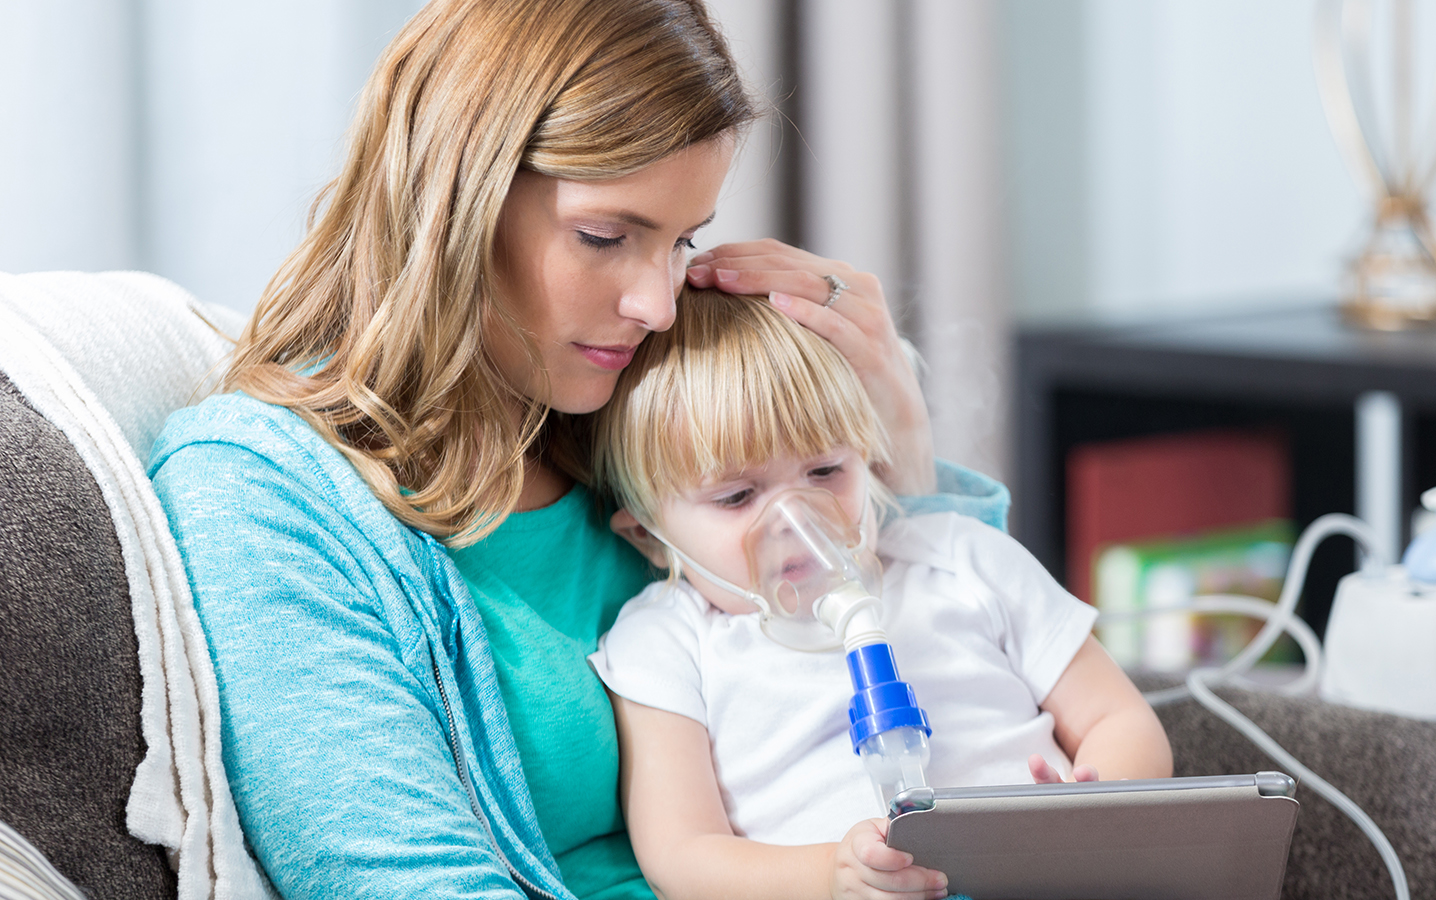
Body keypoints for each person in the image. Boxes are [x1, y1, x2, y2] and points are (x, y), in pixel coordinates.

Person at [147, 1, 1008, 898]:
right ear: (453, 199)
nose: (658, 305)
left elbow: (972, 695)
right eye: (605, 237)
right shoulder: (264, 494)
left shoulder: (630, 419)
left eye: (683, 242)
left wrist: (896, 429)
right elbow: (401, 881)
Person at [586, 288, 1173, 900]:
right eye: (737, 497)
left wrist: (1095, 806)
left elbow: (1120, 717)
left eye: (825, 472)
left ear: (867, 459)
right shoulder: (666, 642)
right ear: (649, 537)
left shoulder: (960, 560)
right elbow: (681, 857)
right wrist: (830, 876)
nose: (796, 519)